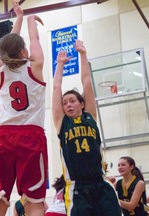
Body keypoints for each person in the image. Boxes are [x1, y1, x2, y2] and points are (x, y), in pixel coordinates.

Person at [0, 1, 48, 216]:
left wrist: (19, 19)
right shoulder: (35, 64)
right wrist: (30, 19)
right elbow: (34, 40)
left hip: (3, 136)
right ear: (24, 51)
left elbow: (7, 49)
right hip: (30, 136)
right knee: (34, 202)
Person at [52, 40, 122, 216]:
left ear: (82, 104)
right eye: (65, 103)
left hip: (100, 183)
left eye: (72, 101)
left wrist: (83, 54)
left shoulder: (90, 116)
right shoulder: (62, 123)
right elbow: (56, 88)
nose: (68, 105)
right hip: (77, 187)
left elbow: (87, 83)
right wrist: (59, 64)